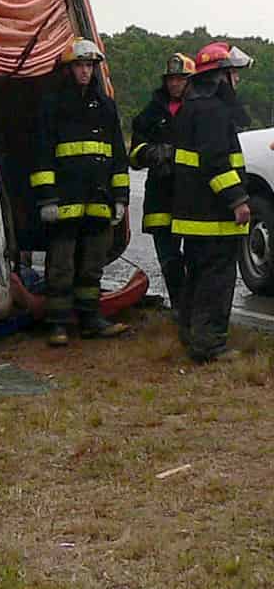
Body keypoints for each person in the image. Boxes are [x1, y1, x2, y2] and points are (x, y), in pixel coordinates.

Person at [31, 37, 130, 346]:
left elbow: (117, 155)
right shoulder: (52, 104)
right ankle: (58, 324)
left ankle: (90, 318)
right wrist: (47, 196)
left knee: (92, 264)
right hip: (65, 199)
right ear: (67, 69)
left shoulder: (105, 105)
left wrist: (121, 198)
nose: (85, 72)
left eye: (89, 66)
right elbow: (42, 152)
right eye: (79, 66)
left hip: (98, 198)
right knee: (61, 264)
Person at [170, 41, 253, 362]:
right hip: (213, 215)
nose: (237, 81)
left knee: (198, 275)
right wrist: (237, 200)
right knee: (215, 281)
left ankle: (192, 335)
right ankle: (209, 345)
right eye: (233, 74)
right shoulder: (214, 111)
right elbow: (217, 162)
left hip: (195, 215)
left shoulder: (193, 106)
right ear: (221, 76)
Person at [129, 53, 196, 316]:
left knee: (195, 257)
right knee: (168, 256)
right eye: (171, 79)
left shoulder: (199, 110)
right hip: (160, 194)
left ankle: (194, 305)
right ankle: (179, 306)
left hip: (192, 196)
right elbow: (134, 155)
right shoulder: (151, 113)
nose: (174, 84)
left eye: (180, 79)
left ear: (190, 81)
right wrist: (153, 153)